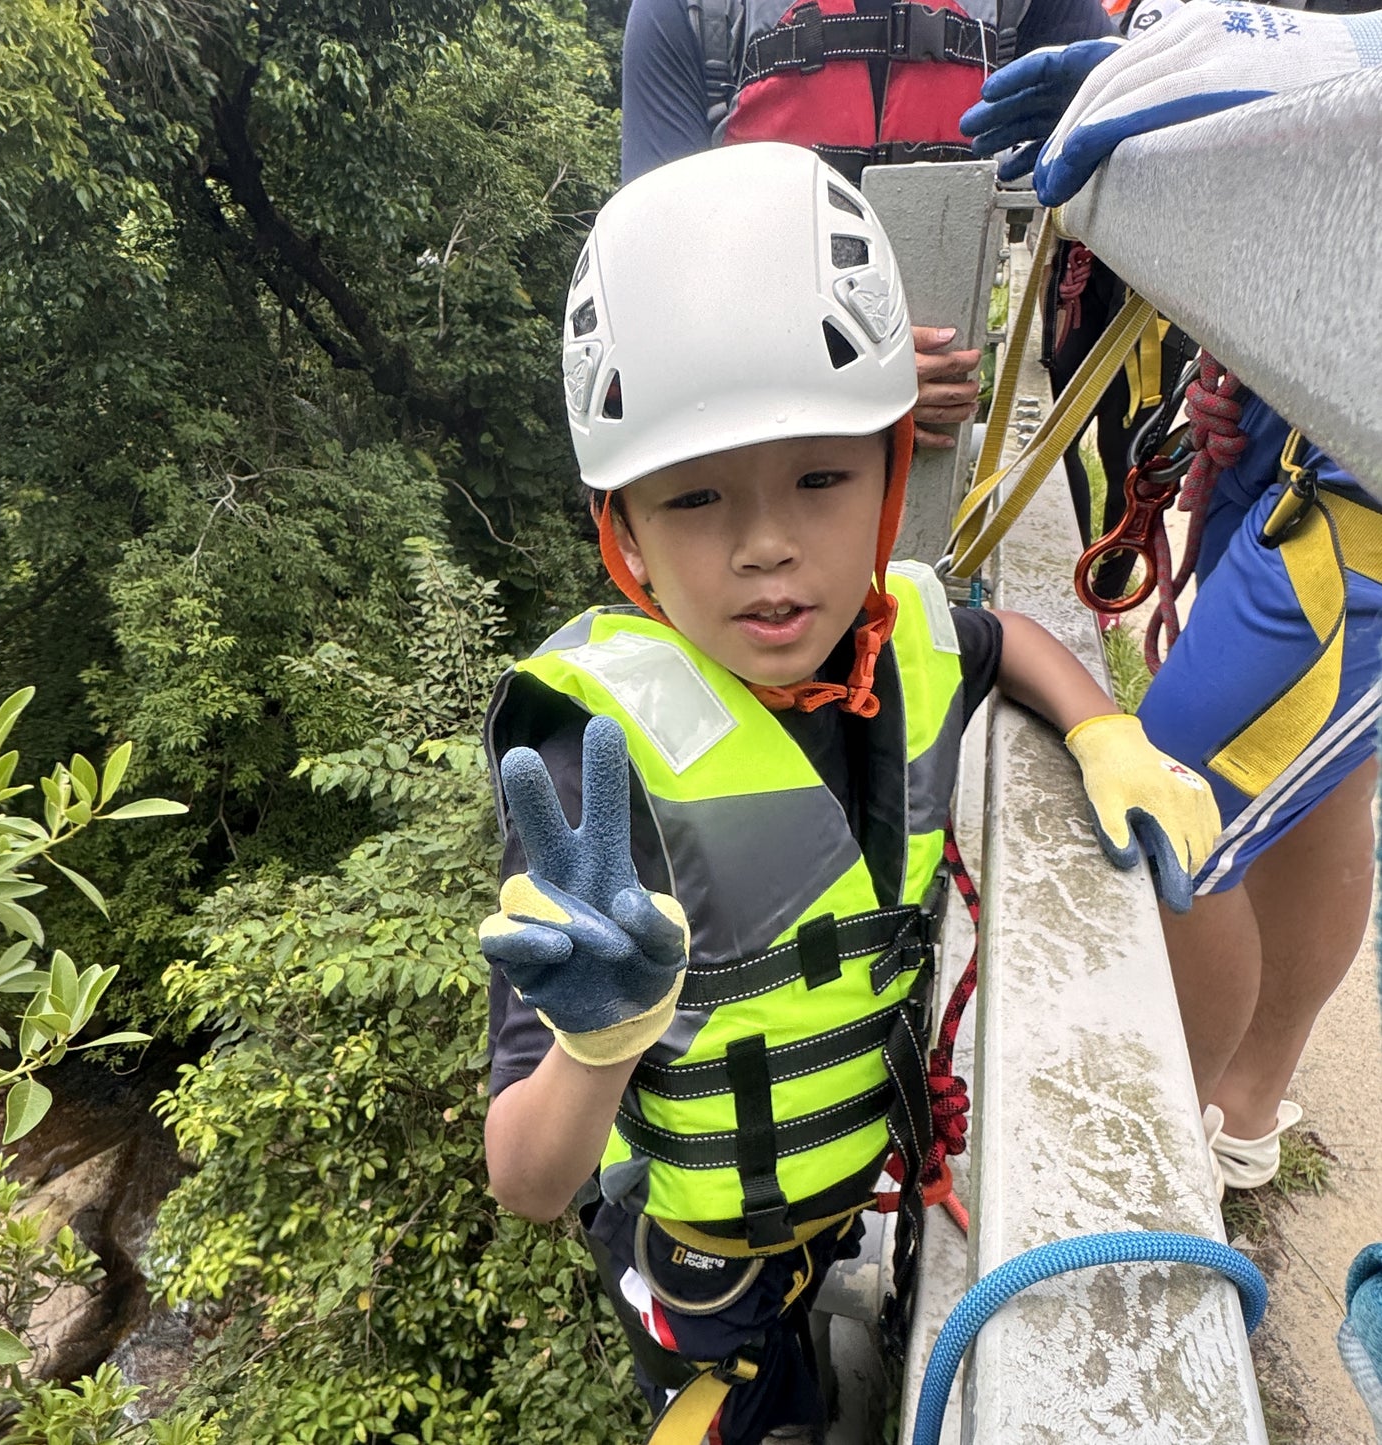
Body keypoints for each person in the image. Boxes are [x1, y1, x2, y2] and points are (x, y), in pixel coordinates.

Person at [479, 142, 1221, 1445]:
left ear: (890, 472)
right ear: (626, 533)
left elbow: (1005, 643)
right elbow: (528, 1180)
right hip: (700, 1271)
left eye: (820, 478)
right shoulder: (586, 767)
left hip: (850, 1198)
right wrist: (600, 1035)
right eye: (696, 497)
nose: (766, 543)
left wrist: (1107, 731)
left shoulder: (905, 637)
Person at [960, 0, 1382, 1192]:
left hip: (1356, 494)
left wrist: (1273, 70)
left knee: (1170, 803)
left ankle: (1147, 1158)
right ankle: (1243, 1104)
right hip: (1310, 399)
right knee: (1320, 780)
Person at [619, 0, 1120, 454]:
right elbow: (661, 271)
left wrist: (1126, 97)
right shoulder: (687, 12)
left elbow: (1143, 171)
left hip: (940, 423)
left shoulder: (1039, 9)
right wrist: (846, 370)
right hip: (758, 433)